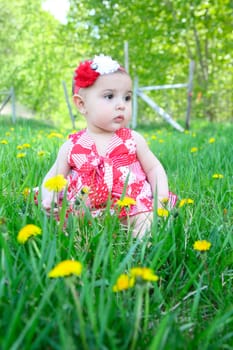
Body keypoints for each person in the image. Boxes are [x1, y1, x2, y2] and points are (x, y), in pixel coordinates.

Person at [41, 54, 176, 238]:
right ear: (81, 104)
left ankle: (140, 250)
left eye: (127, 98)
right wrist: (49, 197)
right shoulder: (72, 146)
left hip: (130, 205)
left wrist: (160, 197)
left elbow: (154, 168)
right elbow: (54, 176)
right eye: (109, 96)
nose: (121, 105)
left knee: (145, 220)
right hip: (85, 209)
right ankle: (82, 247)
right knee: (63, 226)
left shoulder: (132, 139)